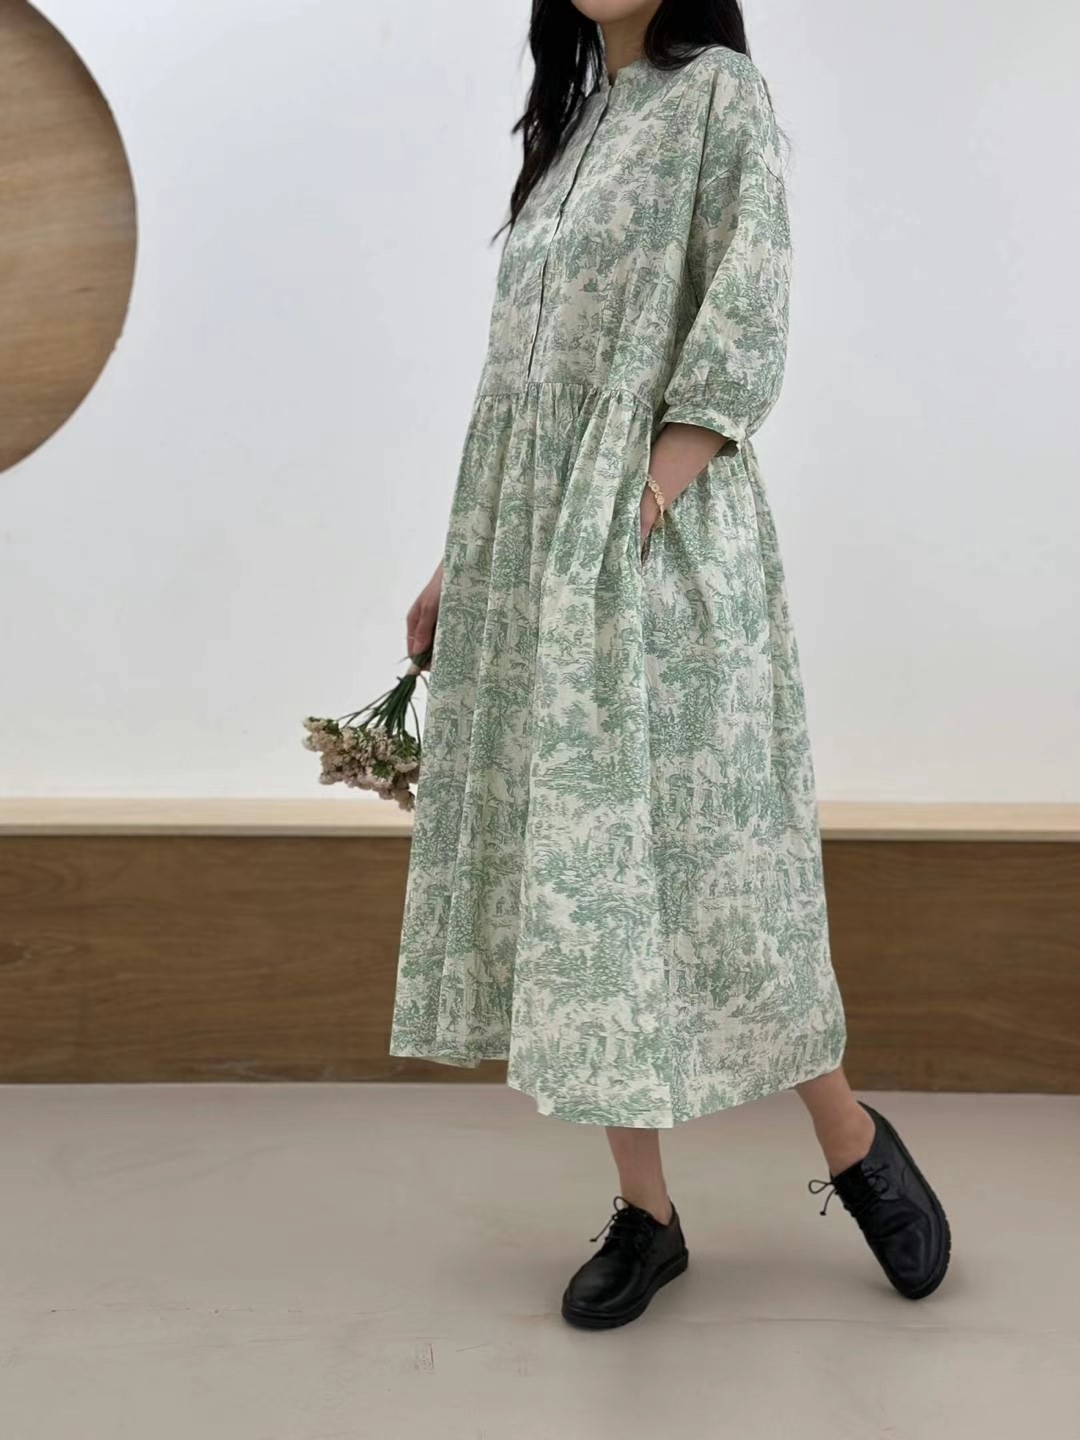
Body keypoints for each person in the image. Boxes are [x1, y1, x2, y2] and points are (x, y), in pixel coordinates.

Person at [389, 0, 950, 1328]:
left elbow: (746, 310)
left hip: (656, 538)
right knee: (586, 886)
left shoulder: (719, 96)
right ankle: (648, 1216)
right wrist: (463, 563)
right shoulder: (576, 122)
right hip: (539, 552)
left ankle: (852, 1141)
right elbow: (524, 384)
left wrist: (644, 502)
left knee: (719, 863)